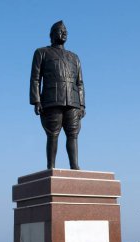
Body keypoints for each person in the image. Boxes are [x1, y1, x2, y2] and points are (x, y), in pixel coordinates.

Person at [30, 20, 85, 170]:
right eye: (61, 30)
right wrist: (36, 100)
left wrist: (82, 104)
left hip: (72, 101)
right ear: (52, 34)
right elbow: (35, 78)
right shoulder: (42, 52)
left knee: (73, 134)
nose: (64, 32)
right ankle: (51, 167)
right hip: (52, 99)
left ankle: (74, 166)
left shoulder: (74, 57)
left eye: (66, 30)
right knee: (53, 134)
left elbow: (79, 83)